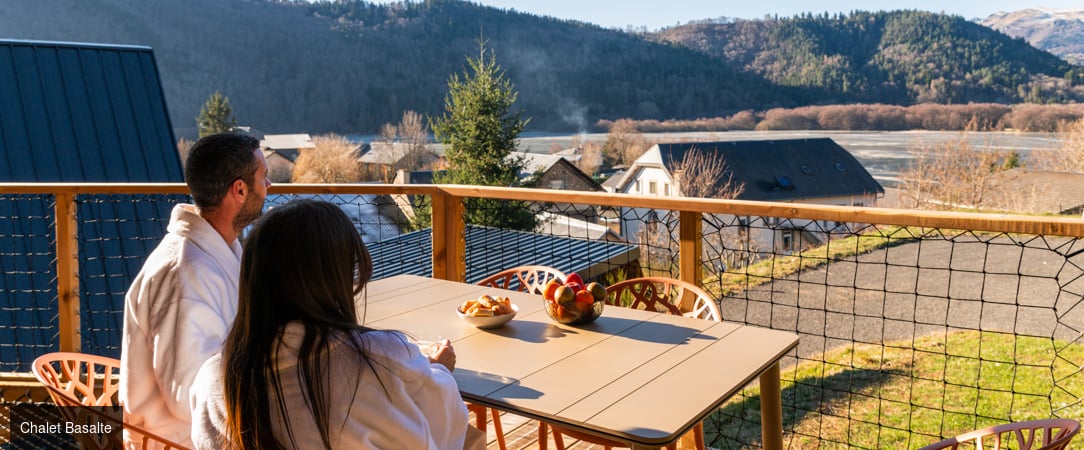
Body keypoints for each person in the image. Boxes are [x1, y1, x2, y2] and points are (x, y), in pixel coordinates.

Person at [189, 199, 476, 449]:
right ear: (332, 277)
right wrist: (440, 370)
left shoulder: (215, 379)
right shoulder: (378, 360)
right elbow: (443, 421)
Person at [121, 132, 270, 446]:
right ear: (239, 190)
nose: (269, 186)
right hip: (178, 441)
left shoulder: (217, 251)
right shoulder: (186, 275)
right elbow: (185, 394)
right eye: (264, 177)